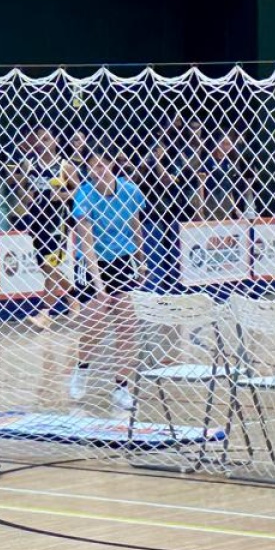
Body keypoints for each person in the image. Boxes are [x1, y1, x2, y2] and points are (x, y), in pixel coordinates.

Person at [70, 151, 147, 414]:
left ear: (111, 164)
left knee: (127, 325)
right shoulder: (84, 195)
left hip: (122, 259)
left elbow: (135, 225)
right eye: (93, 167)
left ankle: (122, 388)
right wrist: (100, 286)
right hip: (92, 263)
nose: (98, 171)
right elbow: (86, 243)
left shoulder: (130, 191)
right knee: (96, 321)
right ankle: (81, 370)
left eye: (102, 165)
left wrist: (141, 259)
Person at [6, 125, 77, 326]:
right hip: (36, 221)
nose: (42, 143)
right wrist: (25, 196)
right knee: (45, 267)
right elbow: (22, 188)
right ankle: (75, 297)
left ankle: (45, 314)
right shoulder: (29, 164)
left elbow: (80, 191)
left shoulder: (64, 166)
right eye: (39, 139)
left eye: (46, 139)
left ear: (56, 141)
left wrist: (61, 196)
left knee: (49, 265)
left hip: (57, 223)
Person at [136, 118, 200, 293]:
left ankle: (177, 283)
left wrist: (162, 165)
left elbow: (171, 179)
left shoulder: (177, 153)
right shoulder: (150, 154)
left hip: (175, 206)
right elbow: (143, 178)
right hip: (155, 209)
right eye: (172, 124)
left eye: (179, 125)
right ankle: (161, 284)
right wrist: (151, 162)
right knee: (159, 249)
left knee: (176, 247)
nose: (175, 128)